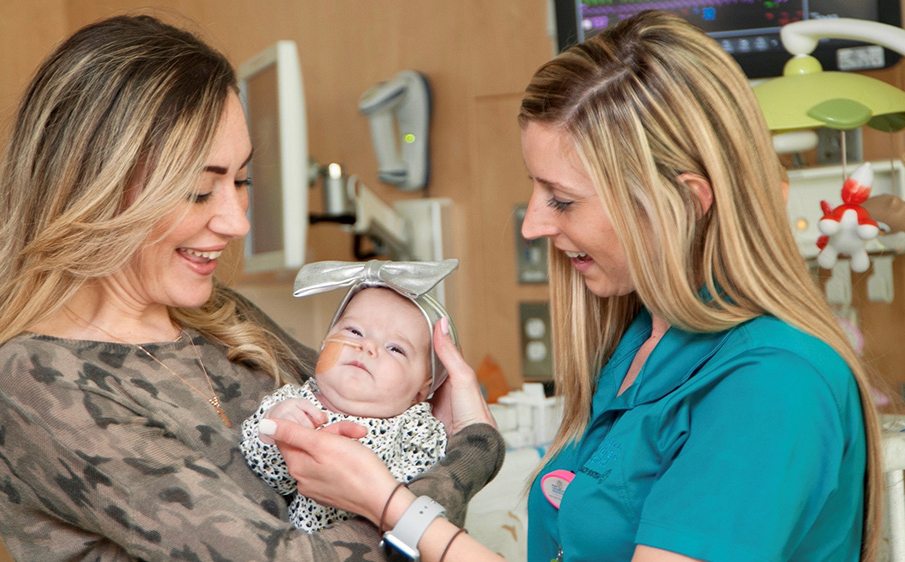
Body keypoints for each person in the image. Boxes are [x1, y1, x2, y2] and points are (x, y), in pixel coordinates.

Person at [262, 10, 884, 562]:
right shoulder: (644, 342)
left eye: (562, 199)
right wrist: (466, 439)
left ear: (687, 204)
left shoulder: (772, 388)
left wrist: (391, 505)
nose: (533, 224)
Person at [0, 14, 505, 561]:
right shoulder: (38, 383)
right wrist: (470, 452)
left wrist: (429, 418)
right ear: (96, 188)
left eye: (241, 181)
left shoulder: (217, 315)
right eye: (198, 191)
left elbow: (382, 422)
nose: (236, 222)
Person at [241, 259, 459, 533]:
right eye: (354, 331)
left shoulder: (416, 428)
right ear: (323, 343)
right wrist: (271, 434)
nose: (366, 346)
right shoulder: (293, 404)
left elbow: (434, 490)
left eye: (395, 349)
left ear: (422, 389)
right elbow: (270, 479)